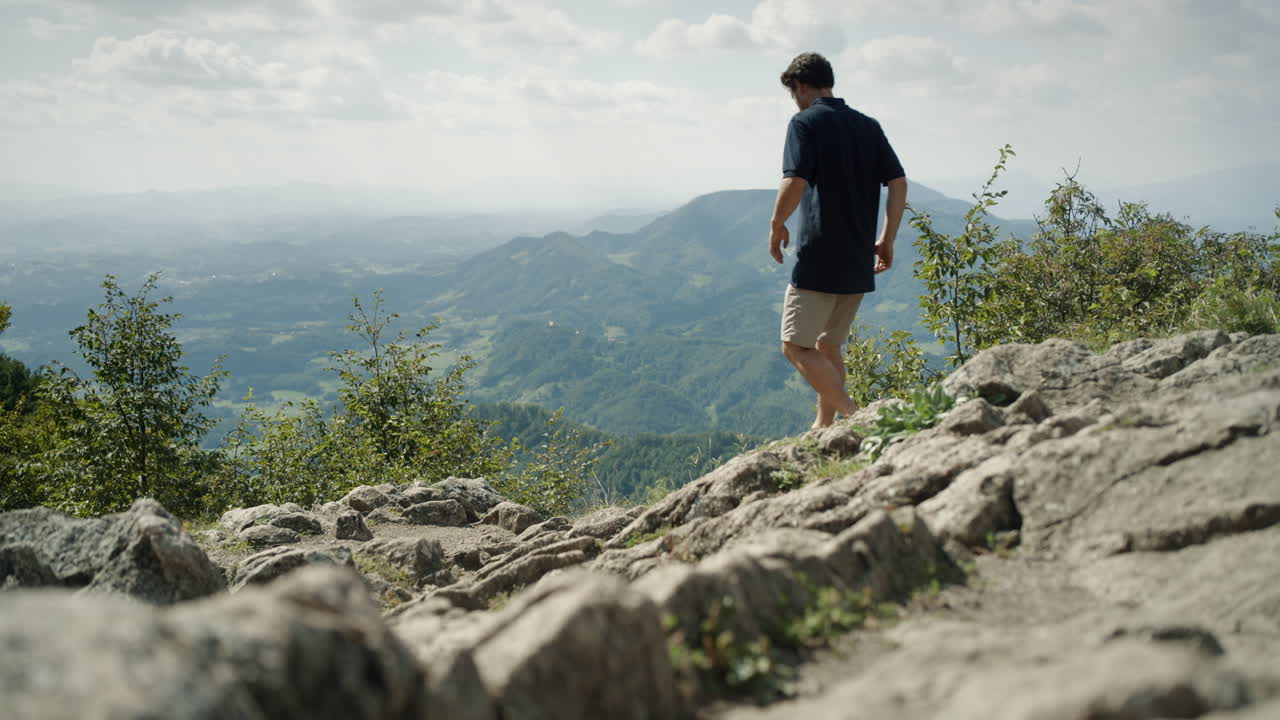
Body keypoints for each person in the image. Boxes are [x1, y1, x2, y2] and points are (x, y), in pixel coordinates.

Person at [769, 52, 908, 429]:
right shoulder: (868, 125)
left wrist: (776, 224)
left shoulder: (804, 122)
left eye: (793, 93)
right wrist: (887, 238)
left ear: (800, 86)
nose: (795, 101)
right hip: (858, 257)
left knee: (795, 346)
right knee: (828, 345)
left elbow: (794, 180)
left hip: (820, 256)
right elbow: (898, 182)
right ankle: (824, 427)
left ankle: (856, 417)